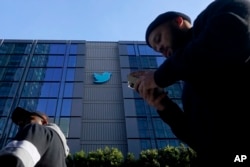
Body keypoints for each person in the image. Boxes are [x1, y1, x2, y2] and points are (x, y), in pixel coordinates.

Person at [134, 0, 250, 166]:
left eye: (158, 39)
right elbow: (199, 141)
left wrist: (159, 76)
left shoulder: (215, 13)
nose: (159, 48)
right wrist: (166, 108)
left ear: (178, 21)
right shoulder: (189, 90)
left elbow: (235, 35)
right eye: (156, 49)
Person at [0, 107, 70, 167]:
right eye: (20, 124)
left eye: (28, 119)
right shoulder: (61, 156)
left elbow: (13, 159)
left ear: (44, 122)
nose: (22, 125)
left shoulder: (37, 129)